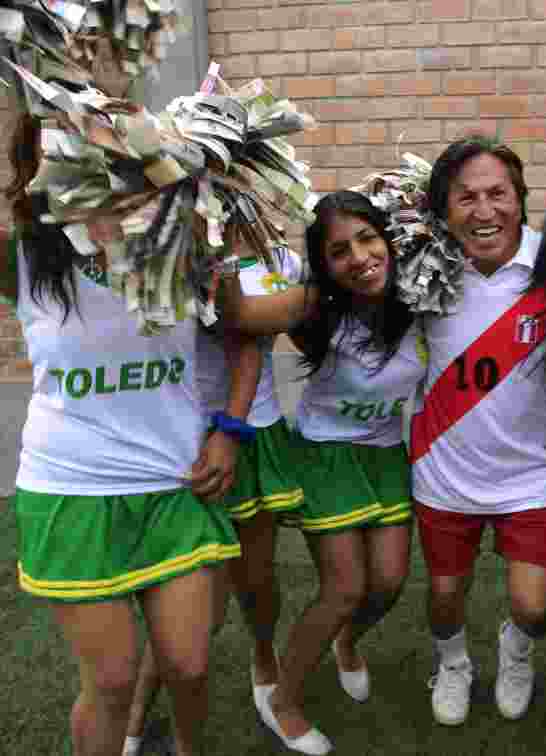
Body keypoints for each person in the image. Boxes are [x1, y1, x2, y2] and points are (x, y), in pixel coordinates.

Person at [4, 113, 240, 756]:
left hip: (175, 484)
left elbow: (244, 329)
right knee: (109, 682)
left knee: (189, 666)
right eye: (62, 151)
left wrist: (230, 427)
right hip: (71, 491)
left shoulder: (187, 240)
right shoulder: (25, 253)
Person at [221, 190, 423, 754]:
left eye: (367, 238)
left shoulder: (424, 293)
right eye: (339, 251)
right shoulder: (315, 305)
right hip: (326, 452)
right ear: (324, 264)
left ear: (388, 238)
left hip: (386, 453)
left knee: (387, 583)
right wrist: (219, 247)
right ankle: (282, 698)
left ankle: (347, 643)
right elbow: (237, 314)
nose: (358, 257)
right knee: (344, 587)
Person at [121, 240, 307, 756]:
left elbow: (250, 332)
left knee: (258, 579)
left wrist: (233, 427)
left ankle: (265, 662)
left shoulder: (282, 258)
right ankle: (135, 711)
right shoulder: (158, 248)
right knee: (184, 593)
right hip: (180, 439)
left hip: (253, 432)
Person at [412, 137, 546, 727]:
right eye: (466, 198)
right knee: (446, 596)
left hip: (533, 475)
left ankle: (515, 649)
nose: (484, 212)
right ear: (444, 209)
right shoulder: (423, 271)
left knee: (533, 606)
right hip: (444, 472)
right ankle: (452, 663)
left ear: (520, 198)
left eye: (497, 194)